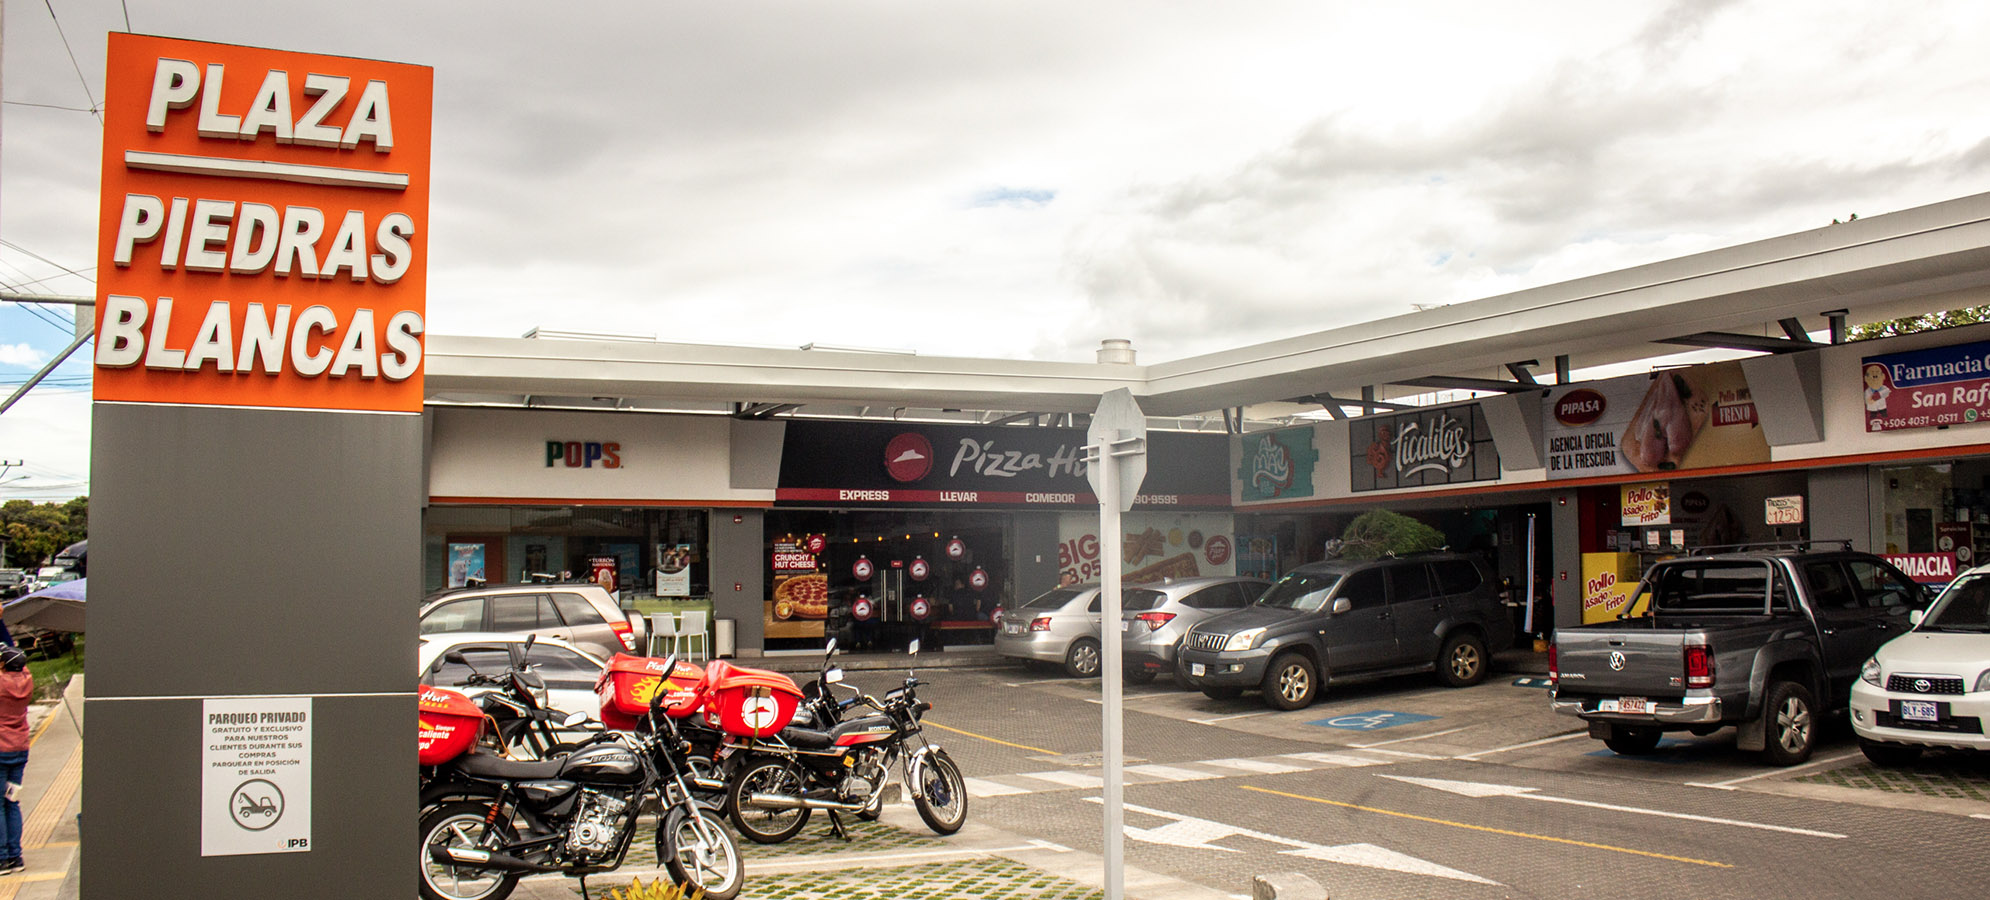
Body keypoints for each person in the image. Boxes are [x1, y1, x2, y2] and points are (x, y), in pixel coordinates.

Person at [0, 644, 32, 875]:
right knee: (12, 802)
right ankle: (16, 857)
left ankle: (1, 859)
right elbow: (20, 665)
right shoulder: (27, 681)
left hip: (1, 749)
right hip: (20, 750)